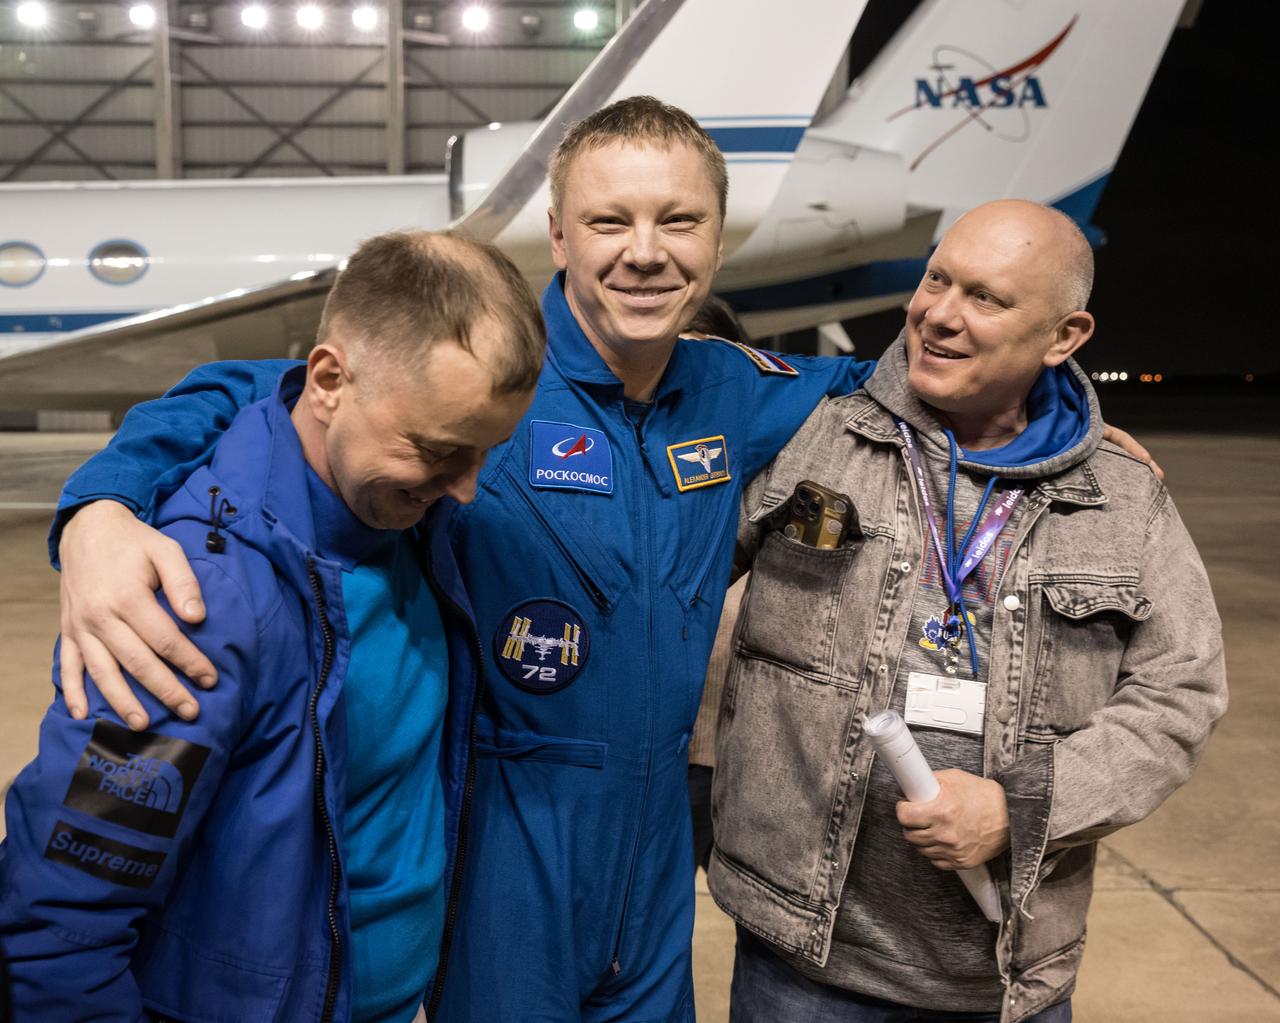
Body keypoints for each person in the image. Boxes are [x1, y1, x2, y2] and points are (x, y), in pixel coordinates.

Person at [39, 103, 1159, 1019]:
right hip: (509, 830)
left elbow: (917, 384)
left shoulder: (737, 390)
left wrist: (1058, 415)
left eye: (678, 221)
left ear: (718, 241)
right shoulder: (487, 371)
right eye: (607, 219)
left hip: (660, 841)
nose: (643, 251)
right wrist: (98, 508)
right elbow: (258, 394)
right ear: (559, 236)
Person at [0, 230, 544, 1022]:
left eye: (484, 451)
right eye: (438, 449)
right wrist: (98, 509)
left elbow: (259, 382)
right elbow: (58, 923)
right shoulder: (194, 602)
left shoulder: (409, 520)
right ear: (328, 381)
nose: (467, 488)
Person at [709, 200, 1227, 1023]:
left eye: (985, 297)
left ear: (1064, 337)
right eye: (936, 278)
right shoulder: (810, 437)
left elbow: (1181, 695)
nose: (938, 314)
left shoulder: (1123, 499)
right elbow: (667, 589)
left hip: (1003, 976)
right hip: (801, 965)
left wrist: (1020, 807)